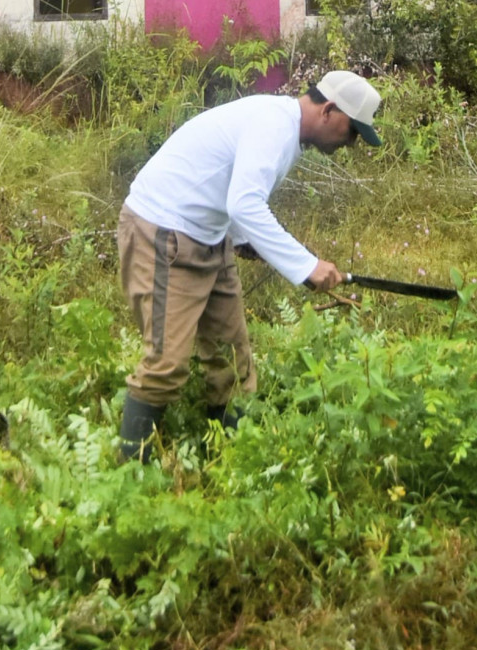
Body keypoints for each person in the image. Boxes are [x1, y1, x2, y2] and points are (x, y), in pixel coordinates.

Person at [116, 70, 383, 458]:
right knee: (165, 365)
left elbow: (234, 191)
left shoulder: (284, 130)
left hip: (209, 237)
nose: (351, 143)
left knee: (232, 362)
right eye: (353, 131)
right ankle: (128, 478)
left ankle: (228, 463)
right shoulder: (273, 127)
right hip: (162, 233)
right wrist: (307, 266)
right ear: (329, 110)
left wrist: (243, 240)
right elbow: (244, 202)